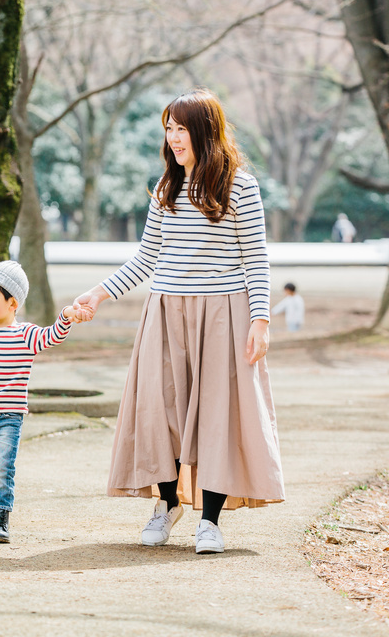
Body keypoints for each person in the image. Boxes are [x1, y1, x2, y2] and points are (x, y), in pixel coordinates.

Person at [75, 88, 284, 554]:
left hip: (222, 314)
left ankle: (209, 521)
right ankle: (167, 505)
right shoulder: (166, 188)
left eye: (181, 128)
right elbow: (146, 258)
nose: (172, 137)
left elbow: (256, 260)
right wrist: (98, 294)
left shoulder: (240, 187)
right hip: (165, 311)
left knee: (216, 416)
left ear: (206, 131)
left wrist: (260, 320)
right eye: (168, 128)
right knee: (160, 412)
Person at [0, 260, 92, 544]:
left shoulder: (25, 335)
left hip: (9, 418)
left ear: (12, 302)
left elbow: (52, 336)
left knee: (1, 467)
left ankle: (1, 517)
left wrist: (66, 316)